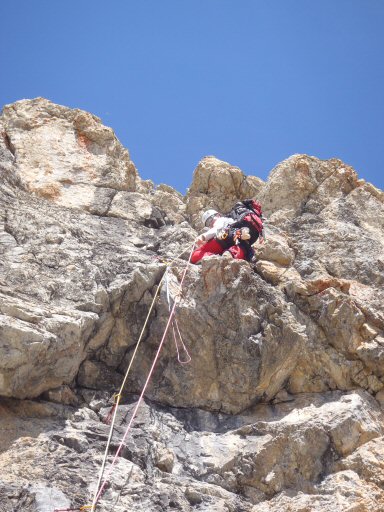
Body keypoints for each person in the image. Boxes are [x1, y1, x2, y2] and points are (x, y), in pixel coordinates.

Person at [191, 200, 264, 265]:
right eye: (208, 223)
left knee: (195, 255)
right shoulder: (232, 220)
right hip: (241, 238)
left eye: (210, 219)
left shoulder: (221, 220)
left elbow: (217, 228)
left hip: (226, 236)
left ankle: (219, 257)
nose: (210, 223)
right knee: (238, 248)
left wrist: (203, 237)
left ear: (218, 215)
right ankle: (224, 256)